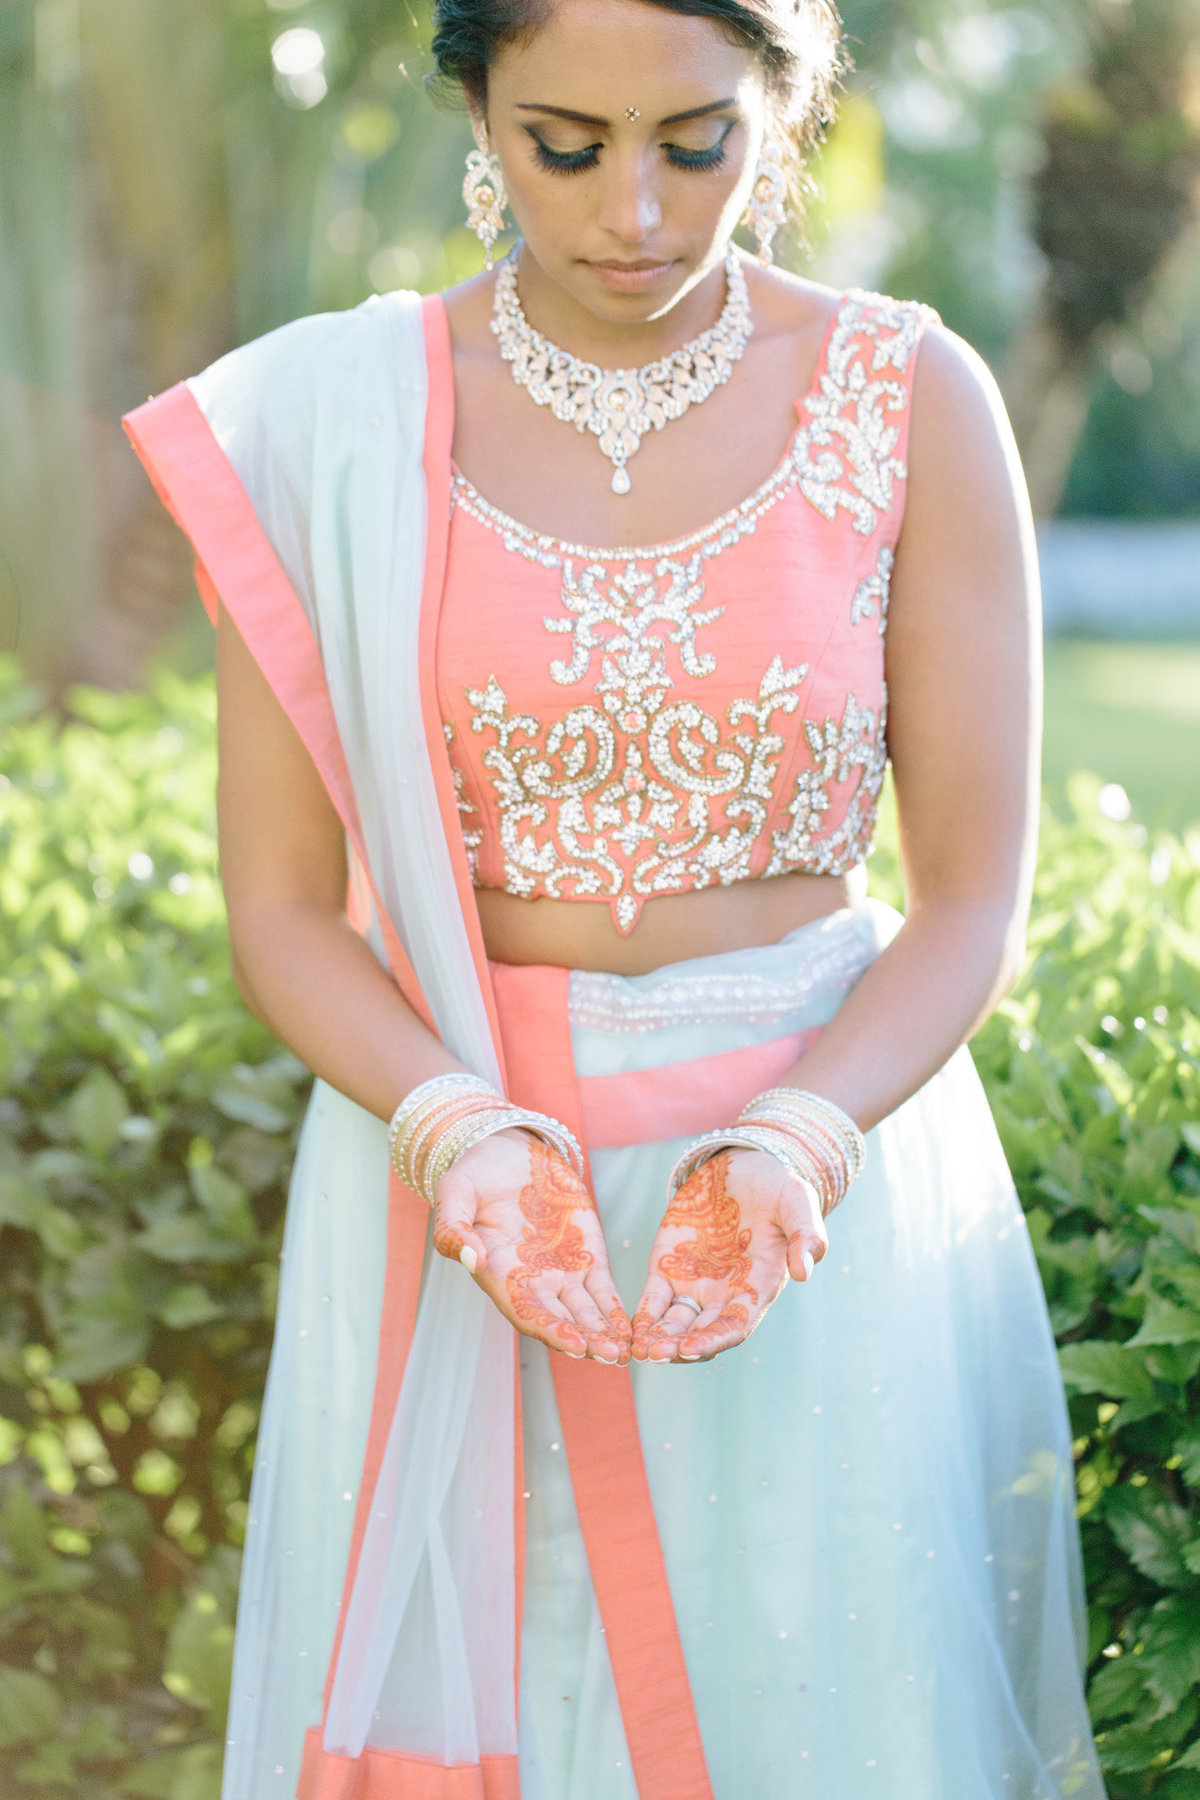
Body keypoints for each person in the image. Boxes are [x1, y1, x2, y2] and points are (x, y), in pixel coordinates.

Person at [123, 1, 1107, 1795]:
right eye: (562, 144)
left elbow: (970, 896)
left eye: (697, 142)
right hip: (456, 1179)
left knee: (810, 1710)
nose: (634, 212)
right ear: (477, 111)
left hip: (808, 1184)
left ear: (787, 106)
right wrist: (455, 1134)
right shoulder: (341, 417)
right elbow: (279, 909)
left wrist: (803, 1139)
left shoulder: (907, 397)